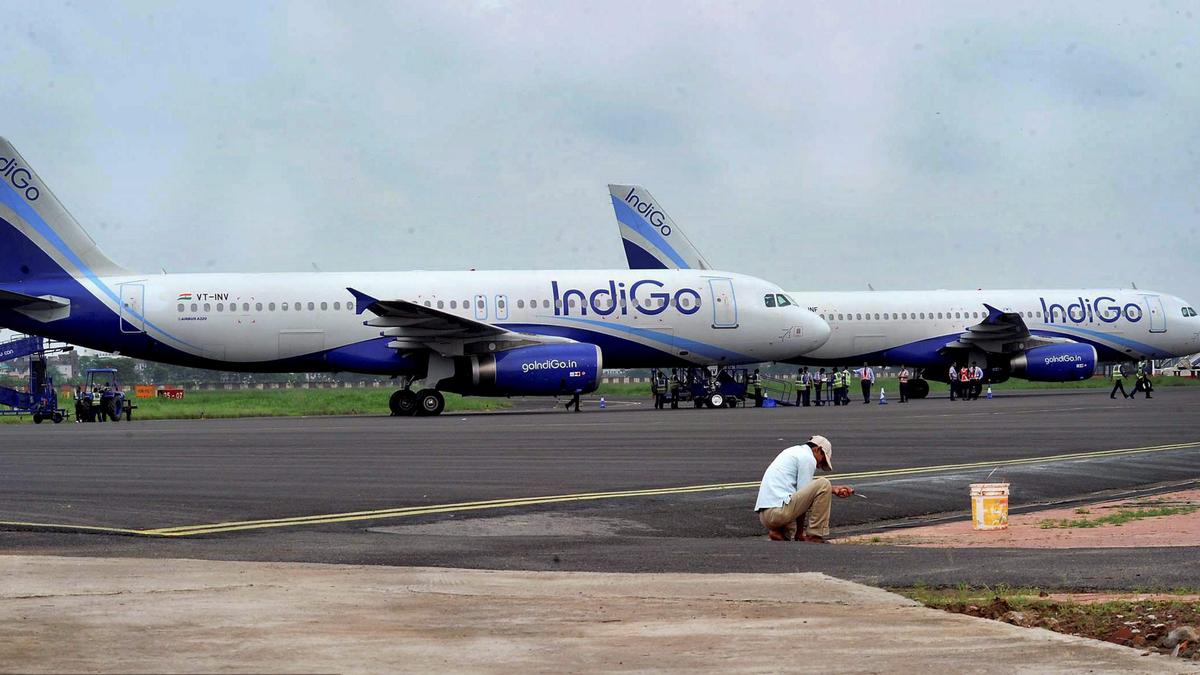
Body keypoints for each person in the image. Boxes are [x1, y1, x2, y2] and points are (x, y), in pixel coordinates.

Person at [754, 435, 855, 542]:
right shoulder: (808, 458)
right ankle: (815, 535)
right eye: (822, 461)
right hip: (778, 513)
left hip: (766, 515)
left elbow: (803, 491)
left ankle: (779, 532)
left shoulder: (793, 452)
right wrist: (800, 533)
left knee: (797, 495)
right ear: (818, 449)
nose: (819, 466)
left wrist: (834, 489)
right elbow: (804, 496)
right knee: (824, 483)